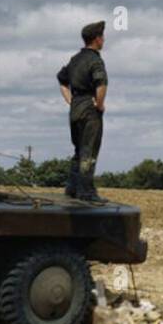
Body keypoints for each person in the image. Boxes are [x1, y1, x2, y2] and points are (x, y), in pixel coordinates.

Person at [57, 21, 108, 202]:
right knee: (89, 150)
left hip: (75, 108)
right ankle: (86, 192)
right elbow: (101, 85)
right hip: (89, 109)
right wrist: (99, 105)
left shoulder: (75, 59)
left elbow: (62, 80)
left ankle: (72, 187)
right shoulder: (95, 60)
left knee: (78, 150)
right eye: (102, 37)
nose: (103, 40)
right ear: (96, 39)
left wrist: (71, 100)